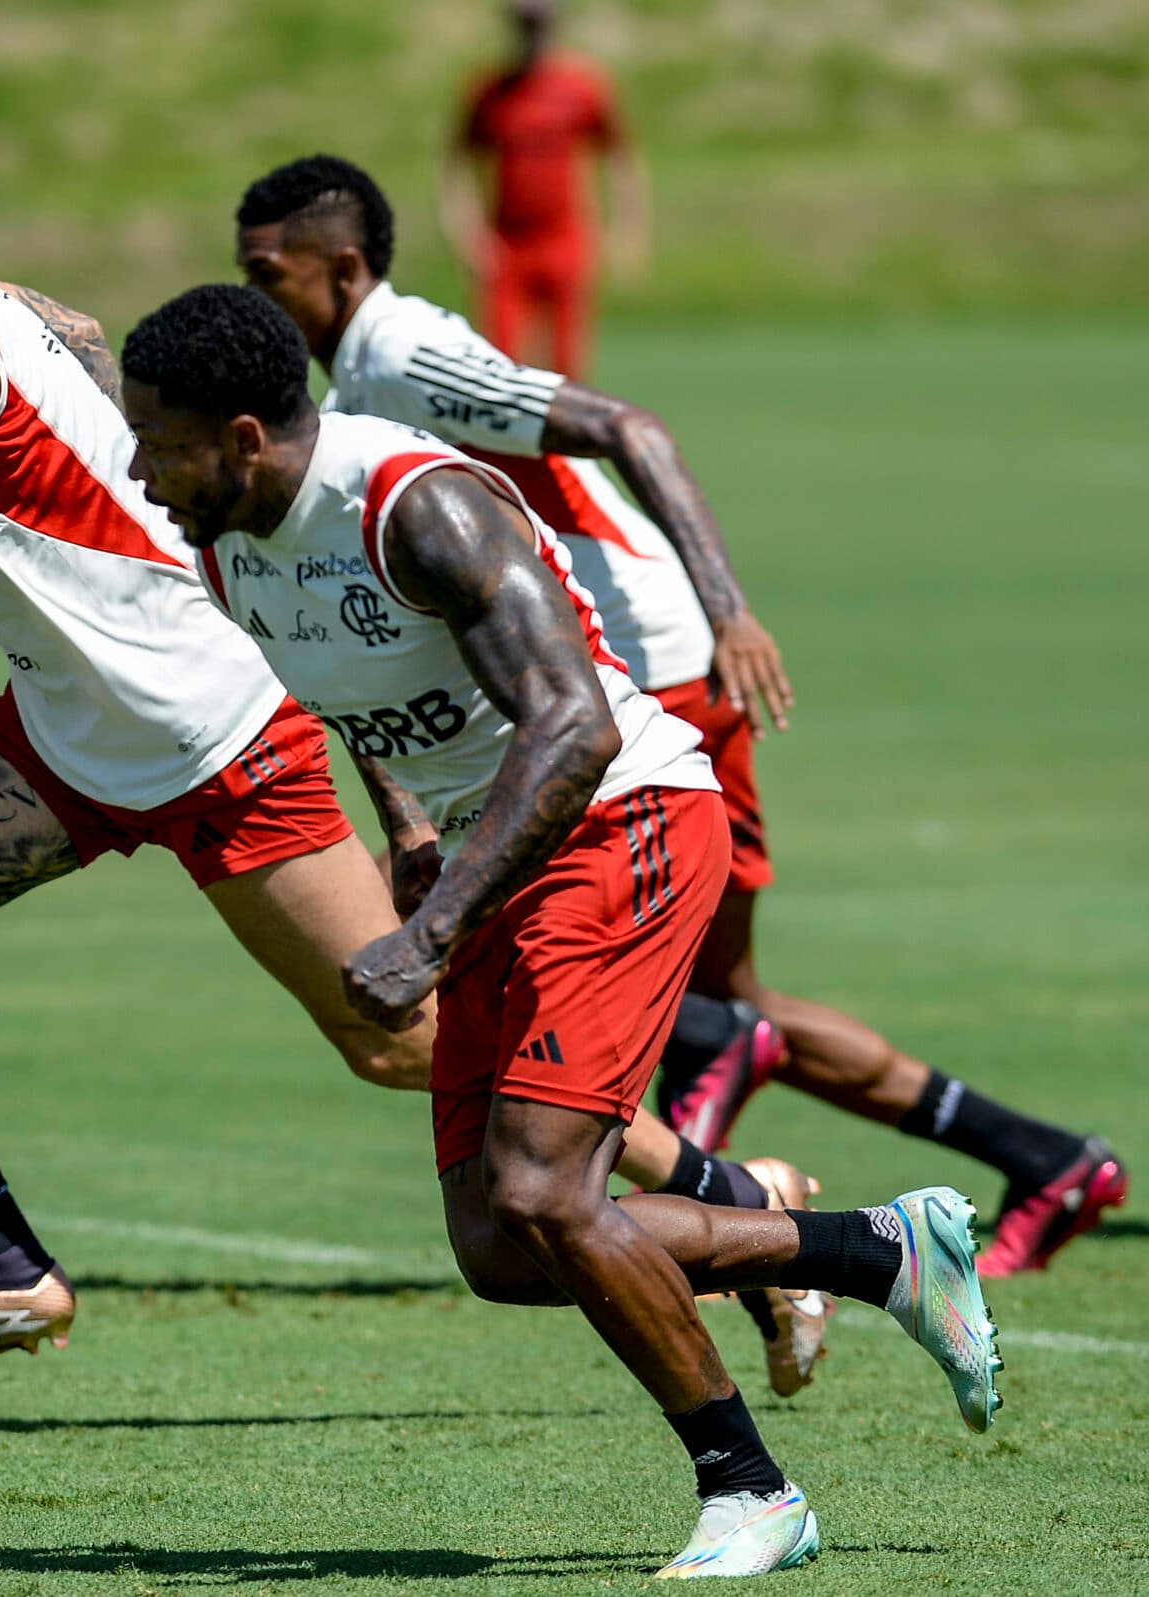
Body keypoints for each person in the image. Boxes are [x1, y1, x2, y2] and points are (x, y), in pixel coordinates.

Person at [0, 67, 794, 1404]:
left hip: (213, 726)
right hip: (72, 729)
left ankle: (743, 1207)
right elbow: (78, 327)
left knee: (402, 1036)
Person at [117, 283, 1005, 1579]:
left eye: (163, 443)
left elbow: (575, 726)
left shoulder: (416, 505)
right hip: (502, 845)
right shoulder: (229, 539)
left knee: (546, 1188)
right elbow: (373, 700)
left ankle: (753, 1493)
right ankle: (876, 1250)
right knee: (502, 1248)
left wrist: (427, 938)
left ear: (244, 437)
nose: (144, 473)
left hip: (622, 815)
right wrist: (413, 832)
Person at [235, 154, 1126, 1276]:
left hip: (637, 676)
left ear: (344, 267)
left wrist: (731, 614)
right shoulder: (339, 392)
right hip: (582, 678)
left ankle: (781, 1211)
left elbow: (632, 428)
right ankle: (1026, 1159)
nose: (251, 295)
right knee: (718, 998)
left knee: (681, 1007)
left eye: (267, 273)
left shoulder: (400, 357)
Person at [439, 0, 643, 376]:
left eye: (539, 24)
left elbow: (619, 158)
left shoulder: (582, 86)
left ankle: (561, 437)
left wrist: (626, 229)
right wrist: (468, 233)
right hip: (508, 244)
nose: (532, 35)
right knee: (498, 365)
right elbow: (458, 164)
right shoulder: (489, 93)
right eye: (525, 25)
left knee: (567, 366)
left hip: (564, 238)